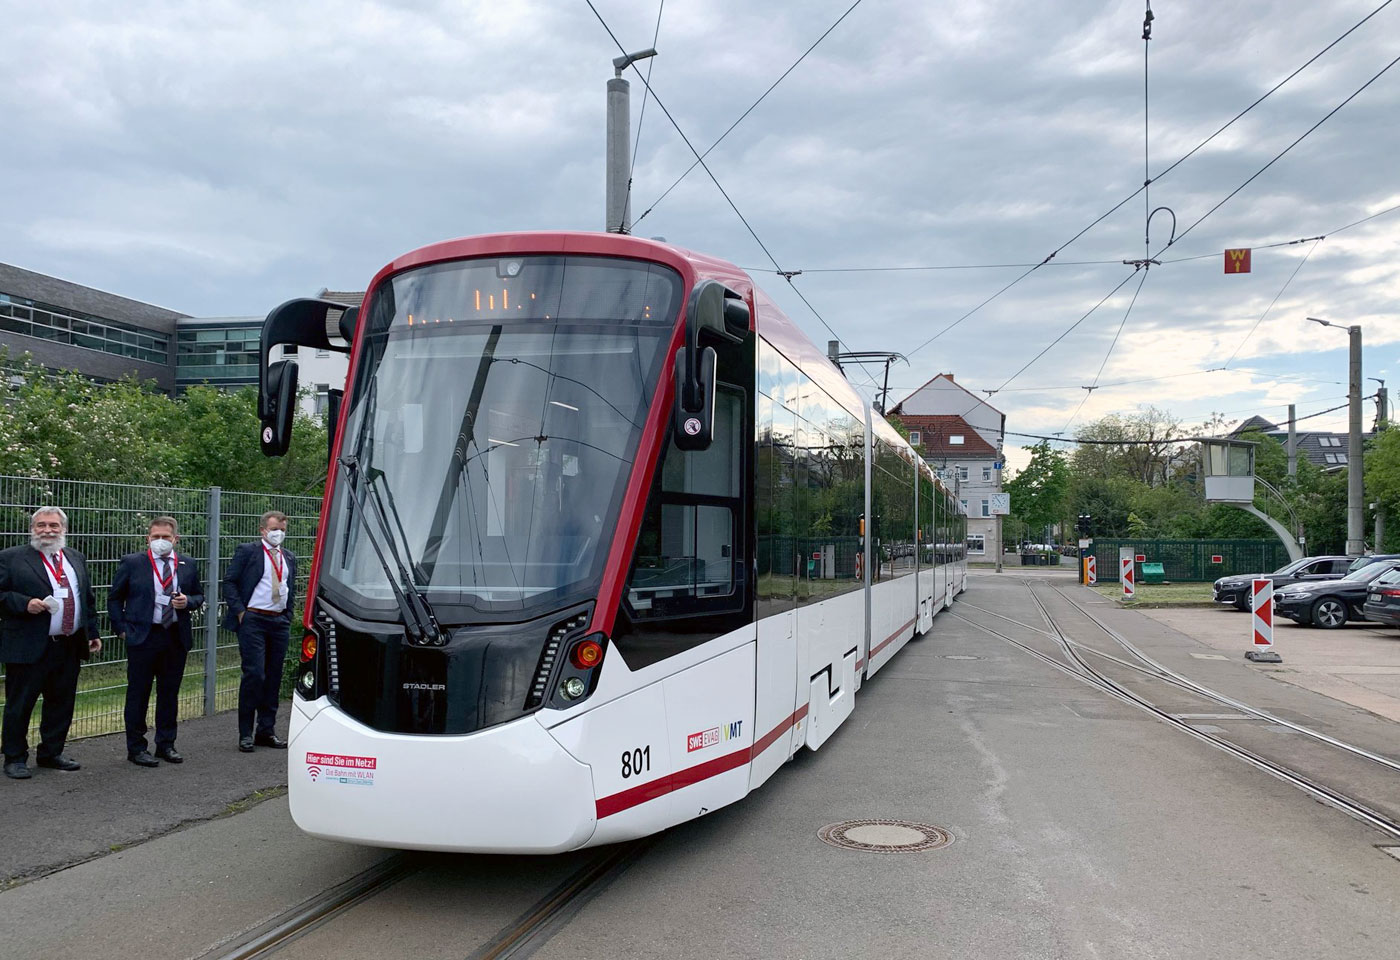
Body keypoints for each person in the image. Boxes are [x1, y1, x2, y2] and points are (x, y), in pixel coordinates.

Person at [1, 506, 101, 780]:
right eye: (41, 525)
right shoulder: (11, 558)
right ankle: (14, 757)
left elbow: (86, 598)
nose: (47, 530)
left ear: (63, 529)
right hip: (29, 645)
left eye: (53, 526)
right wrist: (24, 604)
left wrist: (92, 632)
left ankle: (51, 752)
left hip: (68, 644)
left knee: (61, 702)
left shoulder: (75, 558)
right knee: (20, 704)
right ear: (32, 529)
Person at [108, 517, 205, 767]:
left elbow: (199, 594)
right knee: (138, 693)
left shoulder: (188, 564)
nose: (160, 541)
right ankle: (137, 747)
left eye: (166, 537)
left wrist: (189, 602)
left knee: (169, 693)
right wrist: (121, 629)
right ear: (147, 539)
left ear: (176, 539)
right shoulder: (133, 563)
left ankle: (166, 744)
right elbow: (115, 598)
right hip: (143, 635)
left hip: (174, 635)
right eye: (156, 537)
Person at [222, 510, 296, 753]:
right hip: (253, 618)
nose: (279, 534)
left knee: (273, 675)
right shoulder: (249, 551)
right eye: (275, 529)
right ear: (263, 529)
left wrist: (287, 614)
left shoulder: (288, 557)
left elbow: (289, 587)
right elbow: (230, 581)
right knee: (255, 674)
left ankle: (266, 729)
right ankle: (245, 733)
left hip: (278, 621)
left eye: (283, 530)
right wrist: (241, 612)